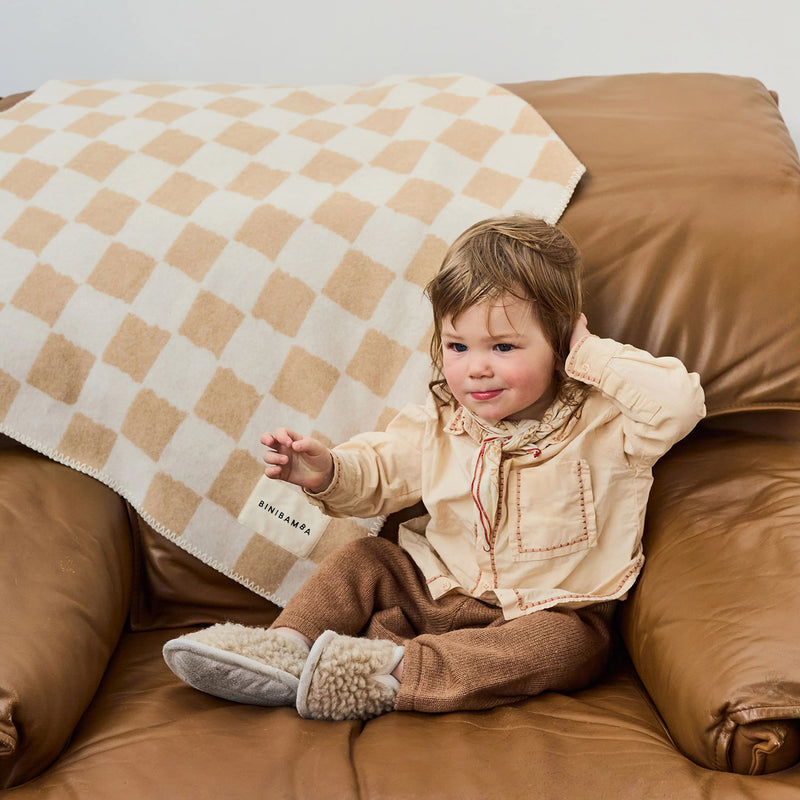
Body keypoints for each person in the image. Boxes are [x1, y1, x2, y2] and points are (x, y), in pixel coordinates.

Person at [163, 214, 706, 721]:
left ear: (559, 341)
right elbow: (377, 472)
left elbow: (679, 405)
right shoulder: (440, 422)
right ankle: (283, 650)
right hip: (435, 590)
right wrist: (326, 471)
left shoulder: (606, 424)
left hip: (544, 612)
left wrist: (585, 353)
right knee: (366, 557)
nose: (477, 368)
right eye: (458, 345)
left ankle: (385, 673)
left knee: (570, 646)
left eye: (503, 345)